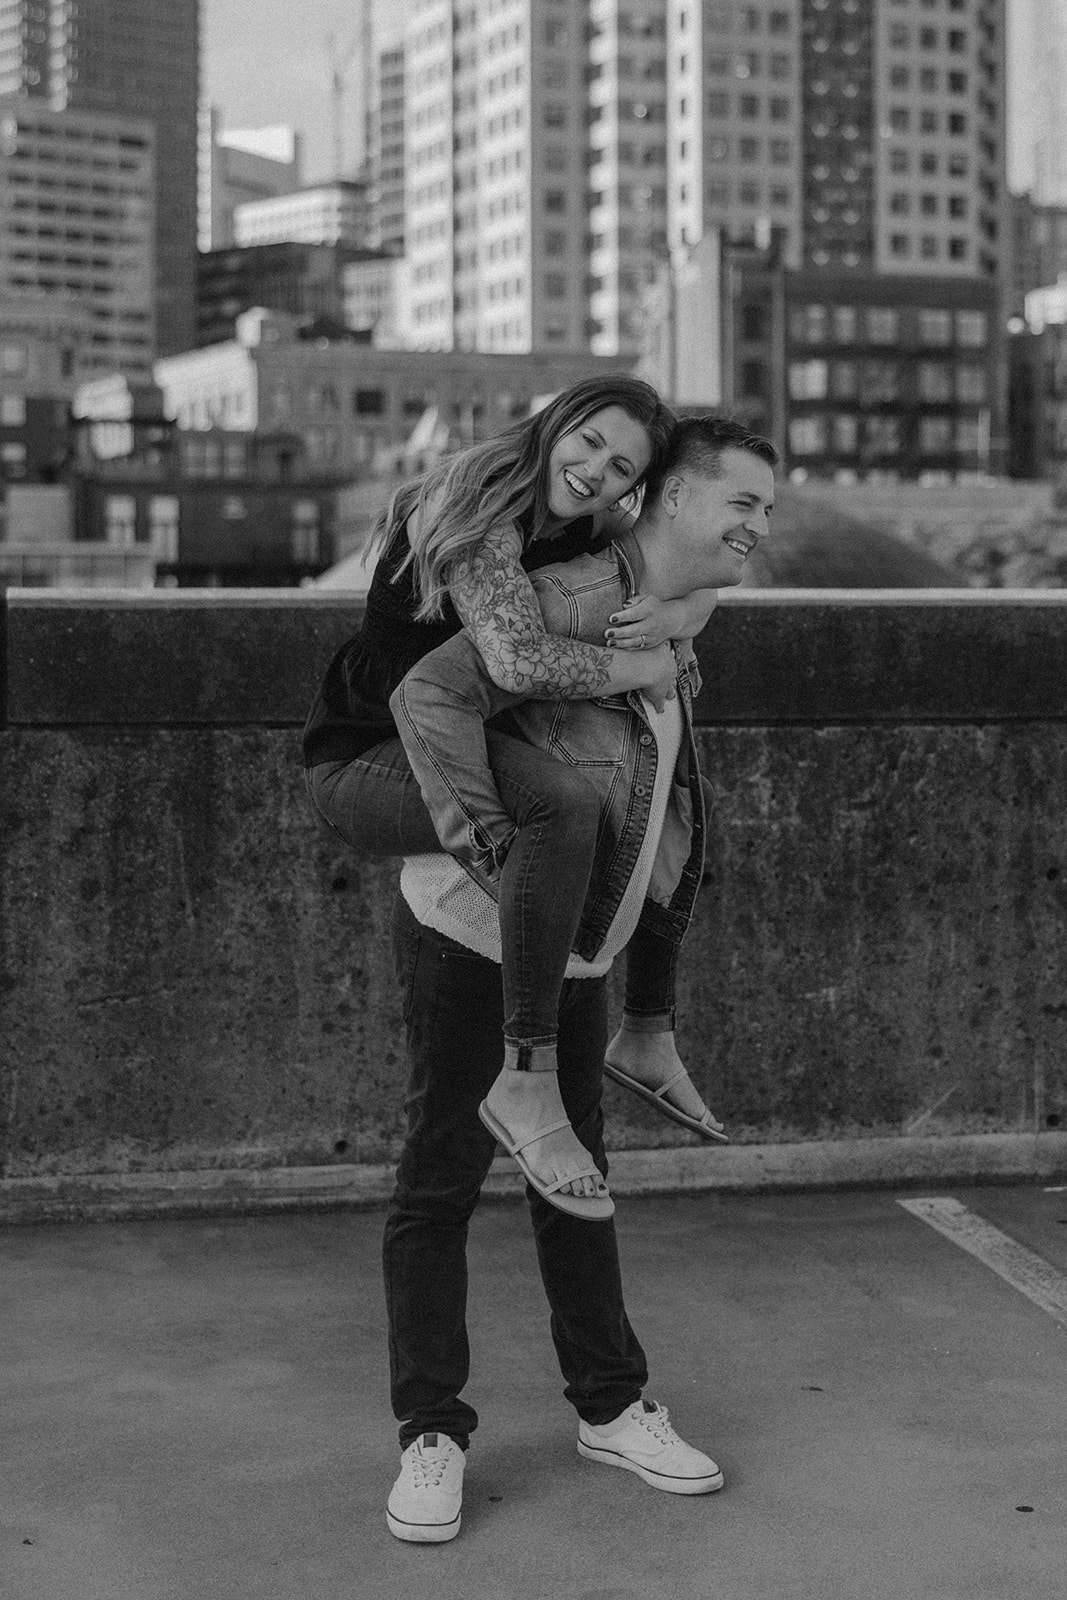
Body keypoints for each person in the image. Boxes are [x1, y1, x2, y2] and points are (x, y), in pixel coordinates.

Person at [382, 416, 778, 1543]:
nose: (758, 528)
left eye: (769, 510)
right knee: (441, 1172)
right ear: (665, 501)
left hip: (578, 944)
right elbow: (429, 693)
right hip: (477, 931)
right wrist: (493, 852)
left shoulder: (670, 606)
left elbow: (665, 804)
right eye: (740, 504)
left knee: (577, 1172)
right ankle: (431, 1432)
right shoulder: (571, 593)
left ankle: (607, 1405)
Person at [304, 379, 723, 1216]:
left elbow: (691, 562)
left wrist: (690, 609)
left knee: (661, 794)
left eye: (620, 468)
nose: (596, 471)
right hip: (371, 754)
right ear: (557, 422)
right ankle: (528, 1069)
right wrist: (641, 663)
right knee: (563, 807)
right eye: (590, 442)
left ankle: (645, 1027)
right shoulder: (471, 506)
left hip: (471, 742)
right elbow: (516, 664)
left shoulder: (575, 521)